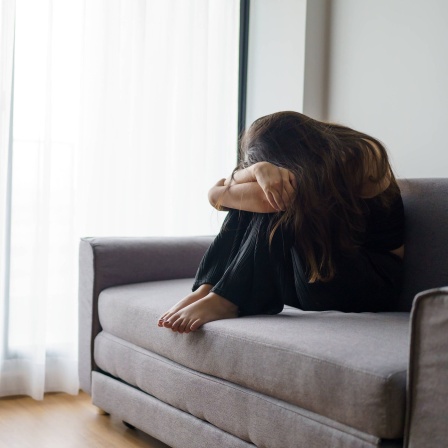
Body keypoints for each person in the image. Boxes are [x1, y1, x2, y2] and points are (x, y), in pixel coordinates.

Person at [157, 111, 405, 334]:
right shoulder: (300, 165)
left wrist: (233, 188)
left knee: (278, 198)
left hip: (367, 284)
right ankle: (210, 287)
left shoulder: (360, 153)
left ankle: (228, 299)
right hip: (312, 273)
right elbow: (224, 196)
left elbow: (244, 198)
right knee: (258, 197)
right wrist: (257, 171)